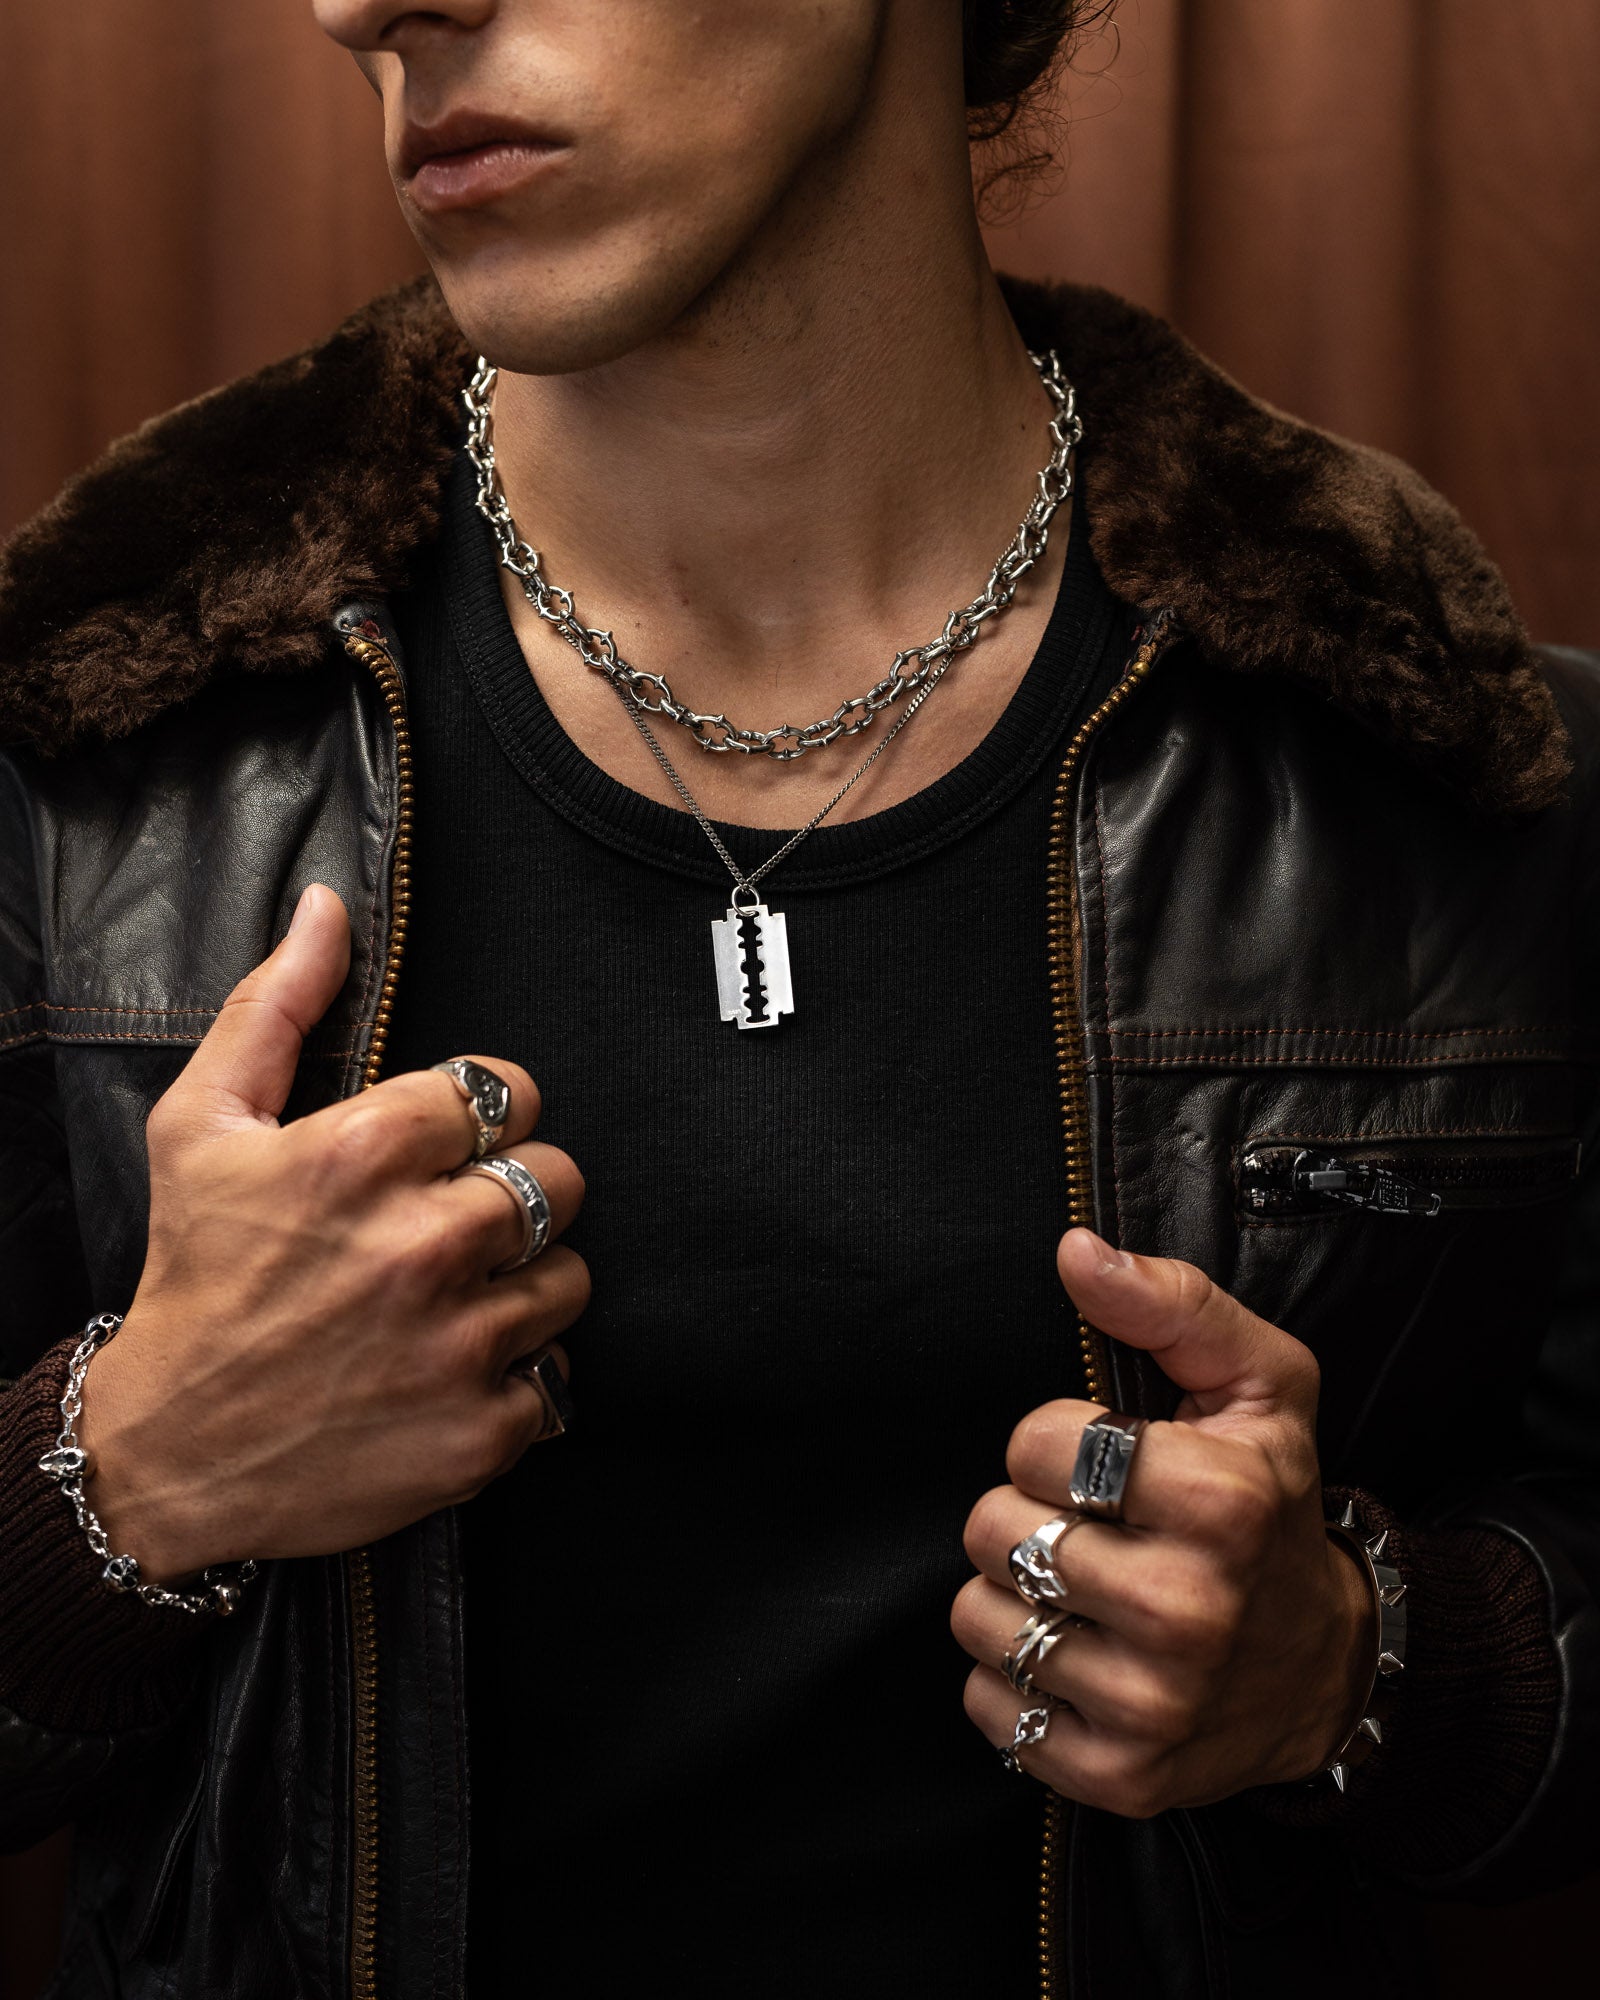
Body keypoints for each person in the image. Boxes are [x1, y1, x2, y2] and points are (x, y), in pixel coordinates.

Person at [1, 2, 1595, 1994]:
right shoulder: (73, 768)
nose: (362, 4)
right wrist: (122, 1478)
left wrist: (1361, 1665)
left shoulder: (1459, 779)